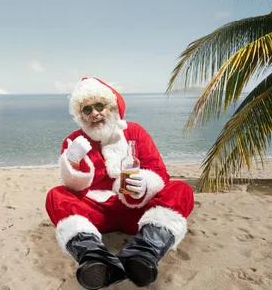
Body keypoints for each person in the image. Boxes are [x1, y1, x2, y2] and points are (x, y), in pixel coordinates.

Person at [45, 77, 195, 289]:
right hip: (97, 212)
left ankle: (145, 253)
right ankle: (93, 258)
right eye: (87, 110)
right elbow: (71, 187)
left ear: (111, 107)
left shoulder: (135, 132)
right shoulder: (74, 141)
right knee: (56, 195)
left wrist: (145, 185)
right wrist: (71, 161)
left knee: (181, 189)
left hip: (137, 210)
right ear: (81, 116)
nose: (94, 113)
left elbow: (159, 172)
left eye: (99, 106)